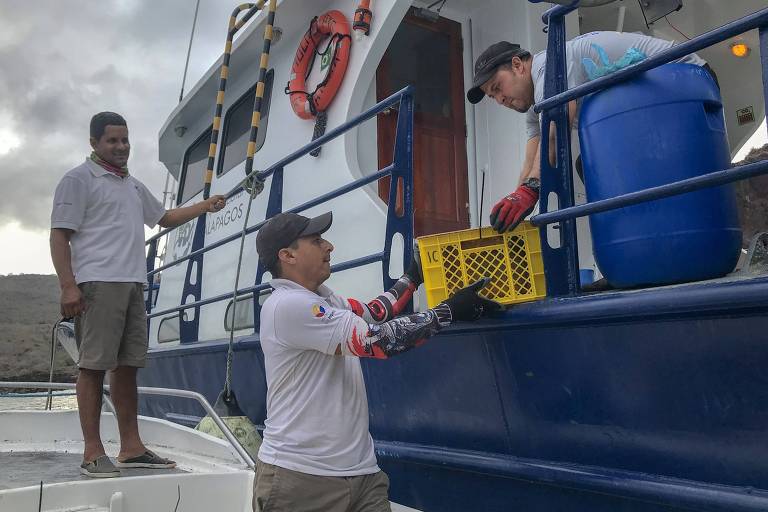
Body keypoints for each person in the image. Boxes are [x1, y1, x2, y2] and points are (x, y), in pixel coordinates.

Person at [253, 211, 499, 512]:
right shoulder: (288, 306)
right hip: (302, 479)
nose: (329, 246)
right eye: (317, 241)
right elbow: (377, 340)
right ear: (287, 255)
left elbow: (375, 312)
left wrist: (412, 277)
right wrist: (449, 311)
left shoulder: (325, 300)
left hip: (362, 474)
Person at [49, 111, 227, 478]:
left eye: (125, 140)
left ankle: (131, 448)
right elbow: (59, 235)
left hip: (133, 282)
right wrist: (68, 285)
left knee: (128, 366)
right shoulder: (78, 179)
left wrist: (206, 206)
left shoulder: (131, 184)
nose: (121, 147)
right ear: (94, 143)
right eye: (112, 140)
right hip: (98, 282)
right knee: (93, 366)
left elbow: (164, 218)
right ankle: (92, 452)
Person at [466, 31, 713, 233]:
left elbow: (555, 133)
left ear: (518, 65)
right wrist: (515, 208)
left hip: (684, 76)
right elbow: (533, 163)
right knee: (591, 164)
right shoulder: (535, 108)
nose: (500, 99)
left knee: (600, 164)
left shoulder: (548, 64)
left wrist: (530, 190)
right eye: (492, 96)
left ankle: (643, 242)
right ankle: (636, 247)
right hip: (654, 102)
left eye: (498, 87)